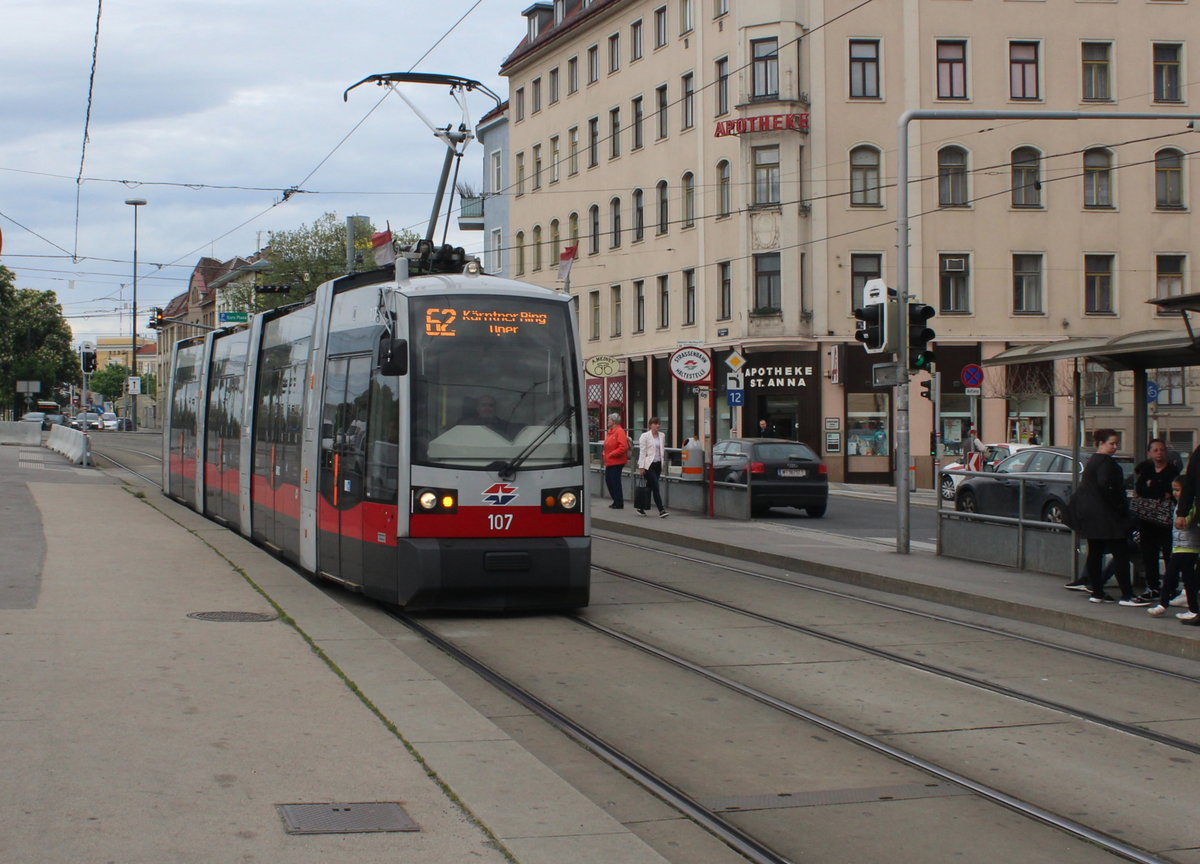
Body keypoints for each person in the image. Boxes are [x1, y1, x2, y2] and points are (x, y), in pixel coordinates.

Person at [1074, 428, 1138, 604]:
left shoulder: (1091, 461)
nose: (1115, 447)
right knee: (1120, 553)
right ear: (1101, 444)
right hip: (1109, 517)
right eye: (1112, 443)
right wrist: (1119, 506)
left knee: (1095, 553)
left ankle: (1097, 592)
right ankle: (1127, 594)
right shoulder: (1107, 463)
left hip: (1092, 516)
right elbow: (1107, 486)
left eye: (1116, 443)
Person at [1132, 438, 1179, 602]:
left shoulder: (1172, 471)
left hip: (1166, 521)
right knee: (1149, 554)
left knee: (1169, 554)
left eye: (1162, 450)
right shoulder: (1146, 470)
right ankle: (1152, 586)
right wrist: (1153, 490)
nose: (1159, 453)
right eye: (1156, 450)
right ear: (1149, 453)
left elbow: (1168, 491)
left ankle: (1171, 588)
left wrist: (1152, 489)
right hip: (1147, 520)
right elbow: (1140, 489)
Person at [1146, 477, 1199, 620]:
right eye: (1174, 490)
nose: (1175, 493)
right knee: (1178, 578)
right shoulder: (1180, 505)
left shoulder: (1189, 505)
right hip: (1180, 547)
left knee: (1181, 578)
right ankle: (1169, 604)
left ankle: (1187, 608)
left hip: (1188, 547)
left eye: (1178, 490)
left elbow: (1186, 524)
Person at [636, 416, 668, 517]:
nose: (658, 425)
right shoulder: (645, 436)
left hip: (658, 464)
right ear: (650, 425)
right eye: (655, 423)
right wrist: (641, 467)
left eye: (659, 423)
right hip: (648, 465)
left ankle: (641, 508)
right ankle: (661, 510)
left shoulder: (662, 435)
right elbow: (642, 452)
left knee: (649, 487)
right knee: (655, 487)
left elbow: (661, 450)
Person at [602, 412, 629, 509]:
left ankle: (619, 502)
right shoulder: (611, 432)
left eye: (609, 420)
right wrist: (605, 452)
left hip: (617, 462)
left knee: (614, 481)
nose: (607, 421)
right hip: (610, 461)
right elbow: (608, 445)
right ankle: (616, 500)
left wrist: (612, 453)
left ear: (614, 421)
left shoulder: (619, 431)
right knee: (609, 481)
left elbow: (623, 447)